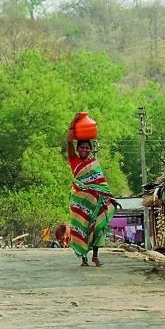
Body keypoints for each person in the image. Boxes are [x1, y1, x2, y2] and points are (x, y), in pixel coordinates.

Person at [66, 113, 121, 267]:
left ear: (90, 150)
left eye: (87, 148)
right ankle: (84, 258)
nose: (84, 150)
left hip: (96, 202)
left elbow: (101, 185)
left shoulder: (94, 164)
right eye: (82, 147)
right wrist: (73, 124)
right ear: (78, 149)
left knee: (98, 227)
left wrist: (112, 199)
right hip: (80, 200)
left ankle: (95, 256)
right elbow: (69, 141)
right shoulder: (74, 160)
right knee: (82, 228)